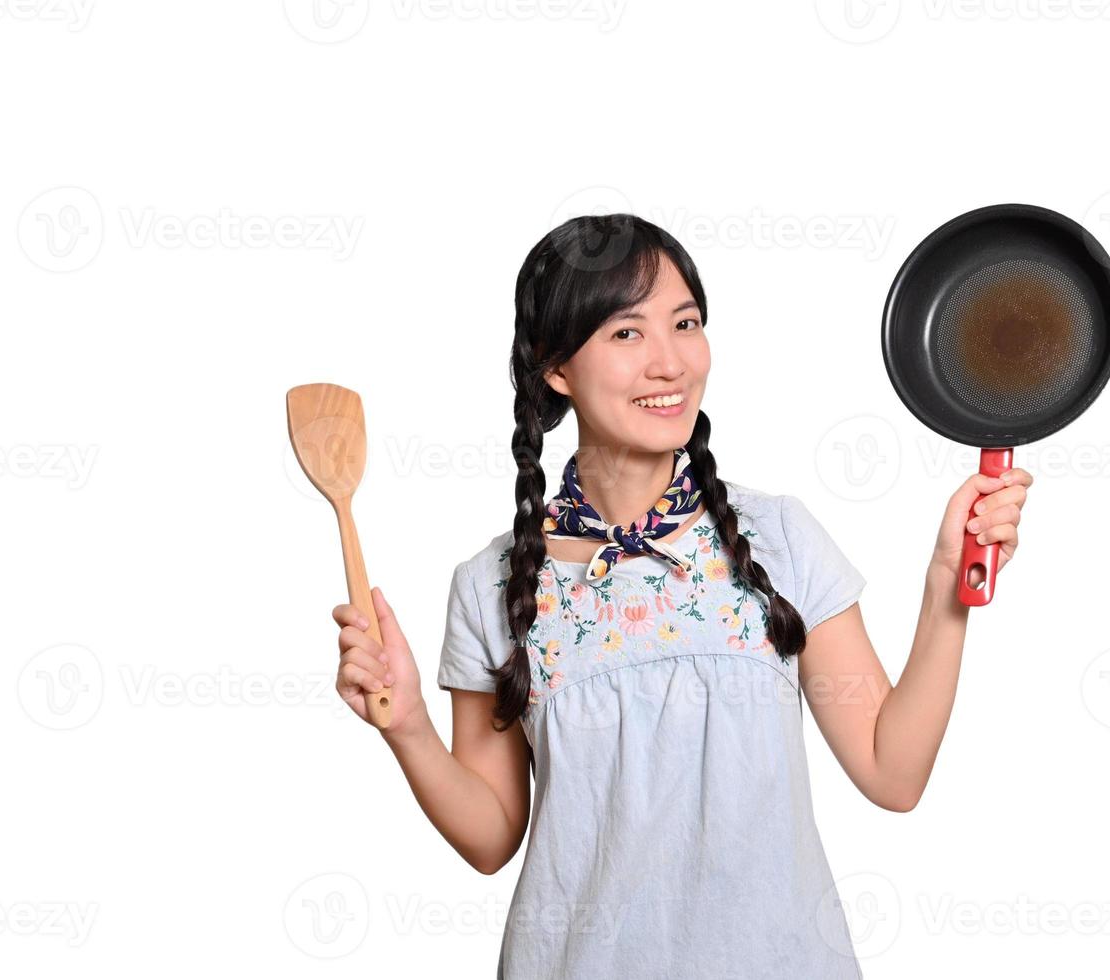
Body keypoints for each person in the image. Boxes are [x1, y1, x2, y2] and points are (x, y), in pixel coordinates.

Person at [330, 213, 1032, 977]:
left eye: (686, 323)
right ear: (555, 367)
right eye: (626, 334)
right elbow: (493, 837)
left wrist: (943, 590)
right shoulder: (493, 585)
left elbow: (892, 773)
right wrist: (407, 730)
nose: (670, 363)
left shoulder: (779, 538)